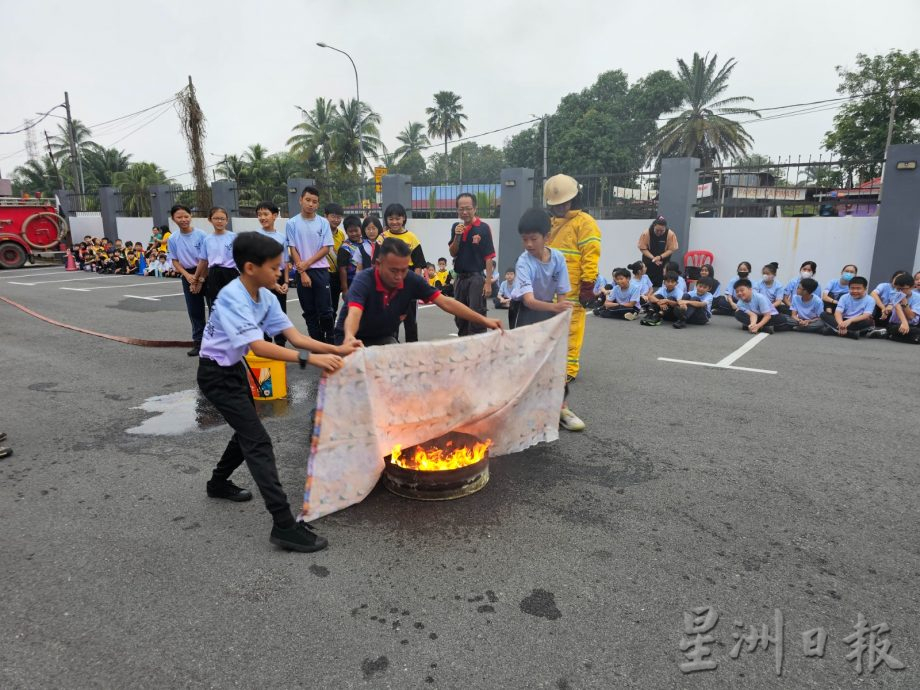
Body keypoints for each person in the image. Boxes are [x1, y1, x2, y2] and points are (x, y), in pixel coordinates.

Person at [197, 232, 359, 553]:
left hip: (234, 371)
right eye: (274, 267)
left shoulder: (266, 296)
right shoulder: (232, 297)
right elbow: (259, 346)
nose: (279, 272)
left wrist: (338, 349)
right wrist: (311, 360)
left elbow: (296, 338)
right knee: (257, 440)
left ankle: (217, 483)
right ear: (249, 267)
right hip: (215, 374)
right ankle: (284, 524)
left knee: (248, 429)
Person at [335, 237, 501, 347]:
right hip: (350, 338)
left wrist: (485, 321)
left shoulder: (411, 280)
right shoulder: (364, 280)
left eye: (404, 270)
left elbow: (446, 302)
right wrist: (350, 336)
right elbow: (354, 313)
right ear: (378, 264)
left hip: (382, 337)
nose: (399, 276)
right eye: (393, 270)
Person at [509, 208, 583, 431]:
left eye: (533, 238)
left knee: (555, 360)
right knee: (526, 360)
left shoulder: (558, 258)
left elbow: (563, 294)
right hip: (524, 310)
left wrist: (561, 316)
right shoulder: (523, 262)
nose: (529, 244)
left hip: (550, 308)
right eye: (525, 239)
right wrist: (556, 307)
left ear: (547, 237)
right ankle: (520, 407)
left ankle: (561, 408)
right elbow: (529, 301)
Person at [543, 174, 601, 383]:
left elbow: (591, 254)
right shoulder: (549, 223)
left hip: (574, 285)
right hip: (549, 285)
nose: (560, 207)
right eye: (556, 204)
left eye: (563, 203)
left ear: (574, 198)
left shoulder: (585, 222)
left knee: (572, 325)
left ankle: (568, 368)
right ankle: (551, 364)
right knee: (551, 325)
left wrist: (588, 284)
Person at [286, 186, 335, 344]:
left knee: (326, 311)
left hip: (320, 271)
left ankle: (330, 341)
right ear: (301, 200)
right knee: (310, 312)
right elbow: (292, 248)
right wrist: (303, 272)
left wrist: (307, 263)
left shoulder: (323, 223)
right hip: (302, 273)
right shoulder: (292, 223)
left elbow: (326, 248)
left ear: (318, 204)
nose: (310, 204)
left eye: (314, 202)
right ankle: (317, 344)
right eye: (307, 200)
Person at [448, 193, 496, 337]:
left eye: (468, 208)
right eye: (461, 209)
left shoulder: (483, 228)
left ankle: (478, 351)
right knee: (460, 316)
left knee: (477, 316)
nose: (464, 212)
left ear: (475, 208)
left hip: (476, 279)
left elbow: (489, 257)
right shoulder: (456, 227)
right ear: (457, 210)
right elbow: (452, 252)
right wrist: (457, 236)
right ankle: (463, 347)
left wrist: (488, 283)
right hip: (459, 279)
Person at [381, 203, 427, 342]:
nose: (394, 222)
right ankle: (391, 346)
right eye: (391, 219)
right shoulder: (382, 237)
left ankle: (412, 350)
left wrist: (415, 286)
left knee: (410, 320)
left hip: (408, 278)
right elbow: (377, 261)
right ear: (386, 220)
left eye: (398, 218)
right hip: (389, 282)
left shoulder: (412, 238)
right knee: (390, 319)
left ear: (404, 219)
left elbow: (418, 263)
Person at [167, 204, 208, 356]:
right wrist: (188, 276)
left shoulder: (202, 235)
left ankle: (216, 343)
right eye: (179, 217)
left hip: (205, 273)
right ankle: (199, 343)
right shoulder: (173, 238)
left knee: (214, 309)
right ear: (173, 219)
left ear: (191, 216)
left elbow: (207, 259)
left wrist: (199, 279)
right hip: (188, 275)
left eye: (186, 216)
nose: (183, 219)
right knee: (194, 311)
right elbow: (175, 260)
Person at [253, 200, 289, 347]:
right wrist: (272, 285)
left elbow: (285, 262)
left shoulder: (282, 238)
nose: (262, 217)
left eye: (265, 214)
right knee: (262, 313)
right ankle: (266, 345)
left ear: (275, 216)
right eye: (259, 214)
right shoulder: (255, 237)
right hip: (262, 282)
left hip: (279, 279)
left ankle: (280, 345)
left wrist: (286, 282)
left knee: (279, 314)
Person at [203, 206, 239, 308]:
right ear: (210, 220)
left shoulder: (234, 237)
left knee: (233, 305)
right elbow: (203, 261)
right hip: (214, 274)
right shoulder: (207, 239)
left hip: (231, 273)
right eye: (216, 218)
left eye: (222, 219)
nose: (219, 221)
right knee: (215, 305)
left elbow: (241, 258)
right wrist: (199, 278)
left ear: (227, 221)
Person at [637, 215, 678, 287]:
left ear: (665, 228)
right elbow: (643, 248)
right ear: (654, 226)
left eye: (662, 231)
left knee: (662, 279)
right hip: (649, 260)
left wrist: (660, 257)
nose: (659, 232)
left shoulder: (670, 234)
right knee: (647, 280)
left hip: (663, 260)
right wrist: (653, 258)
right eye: (657, 230)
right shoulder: (646, 233)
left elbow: (671, 249)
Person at [879, 273, 920, 343]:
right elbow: (897, 308)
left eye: (902, 289)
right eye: (898, 289)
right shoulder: (894, 293)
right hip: (895, 324)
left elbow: (911, 316)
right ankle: (891, 334)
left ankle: (890, 335)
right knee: (898, 329)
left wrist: (904, 303)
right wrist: (904, 323)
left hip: (912, 325)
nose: (899, 291)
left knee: (915, 332)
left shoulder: (918, 297)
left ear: (912, 287)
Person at [336, 214, 372, 296]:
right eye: (350, 231)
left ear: (361, 229)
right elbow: (342, 270)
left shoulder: (368, 242)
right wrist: (345, 290)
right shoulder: (344, 248)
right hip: (352, 283)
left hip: (369, 281)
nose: (354, 233)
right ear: (346, 232)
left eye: (356, 230)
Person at [324, 203, 346, 314]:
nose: (336, 220)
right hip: (323, 273)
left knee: (334, 306)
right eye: (333, 216)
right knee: (323, 306)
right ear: (325, 216)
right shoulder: (320, 233)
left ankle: (331, 330)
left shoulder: (341, 235)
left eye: (338, 217)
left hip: (336, 275)